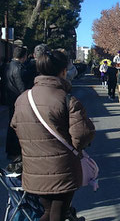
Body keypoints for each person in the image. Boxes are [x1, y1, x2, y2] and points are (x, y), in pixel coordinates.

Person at [10, 50, 95, 221]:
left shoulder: (23, 98)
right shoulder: (67, 99)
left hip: (33, 167)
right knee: (58, 212)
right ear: (63, 71)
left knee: (48, 211)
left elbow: (15, 126)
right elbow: (83, 135)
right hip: (62, 168)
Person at [3, 47, 28, 160]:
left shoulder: (7, 66)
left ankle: (10, 149)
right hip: (18, 100)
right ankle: (16, 150)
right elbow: (21, 85)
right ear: (24, 56)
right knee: (19, 125)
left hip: (9, 98)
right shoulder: (20, 68)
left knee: (11, 125)